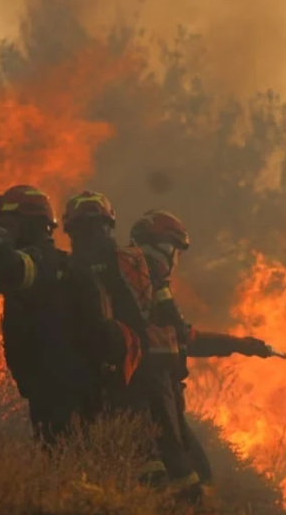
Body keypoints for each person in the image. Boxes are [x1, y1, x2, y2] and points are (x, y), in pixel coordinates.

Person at [59, 191, 203, 500]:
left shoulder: (68, 270)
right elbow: (176, 330)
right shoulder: (136, 268)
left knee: (134, 460)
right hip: (149, 378)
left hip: (102, 378)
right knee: (173, 462)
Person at [0, 185, 102, 446]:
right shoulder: (55, 262)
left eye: (10, 225)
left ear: (33, 225)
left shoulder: (41, 263)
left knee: (61, 459)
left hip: (61, 385)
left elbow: (6, 263)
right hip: (57, 383)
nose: (4, 233)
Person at [129, 209, 279, 488]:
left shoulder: (134, 287)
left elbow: (180, 337)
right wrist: (238, 344)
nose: (176, 260)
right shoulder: (151, 282)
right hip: (156, 397)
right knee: (189, 481)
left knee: (185, 476)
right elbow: (185, 336)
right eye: (176, 252)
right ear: (166, 247)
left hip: (150, 395)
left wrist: (239, 345)